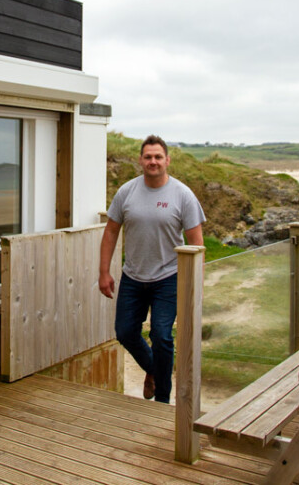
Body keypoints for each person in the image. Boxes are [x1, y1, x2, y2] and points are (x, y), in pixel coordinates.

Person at [98, 135, 205, 403]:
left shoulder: (183, 195)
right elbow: (111, 232)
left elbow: (196, 242)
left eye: (158, 157)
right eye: (148, 157)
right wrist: (104, 272)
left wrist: (195, 282)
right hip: (132, 276)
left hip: (168, 277)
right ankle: (155, 371)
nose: (153, 161)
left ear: (167, 160)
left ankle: (162, 402)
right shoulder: (126, 192)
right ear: (140, 160)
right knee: (124, 332)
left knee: (161, 335)